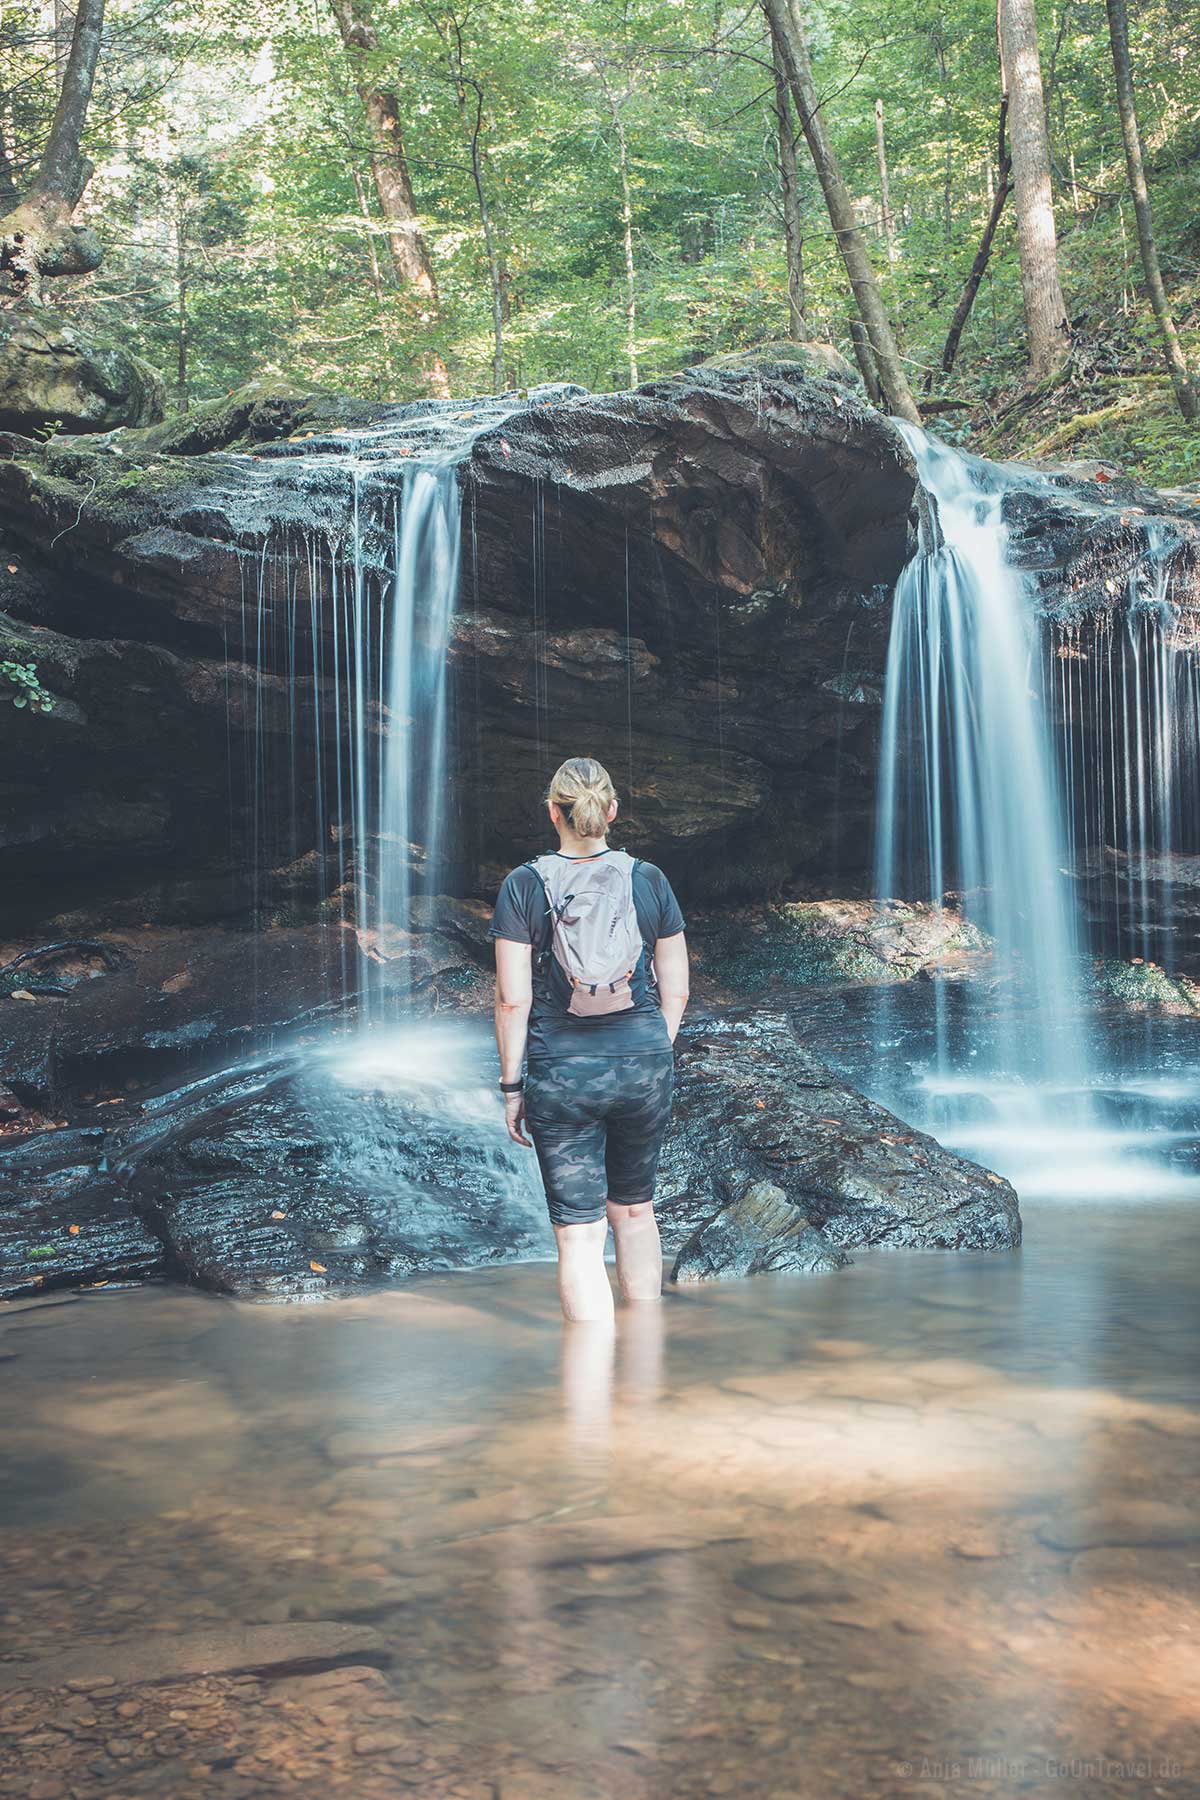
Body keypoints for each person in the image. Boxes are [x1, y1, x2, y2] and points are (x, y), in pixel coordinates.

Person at [490, 757, 690, 1322]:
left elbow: (512, 998)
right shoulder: (648, 879)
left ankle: (591, 1393)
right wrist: (654, 1046)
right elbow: (675, 985)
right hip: (643, 1064)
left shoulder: (524, 885)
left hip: (563, 1073)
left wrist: (511, 1085)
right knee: (635, 1212)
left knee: (580, 1237)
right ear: (613, 811)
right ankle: (645, 1361)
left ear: (553, 811)